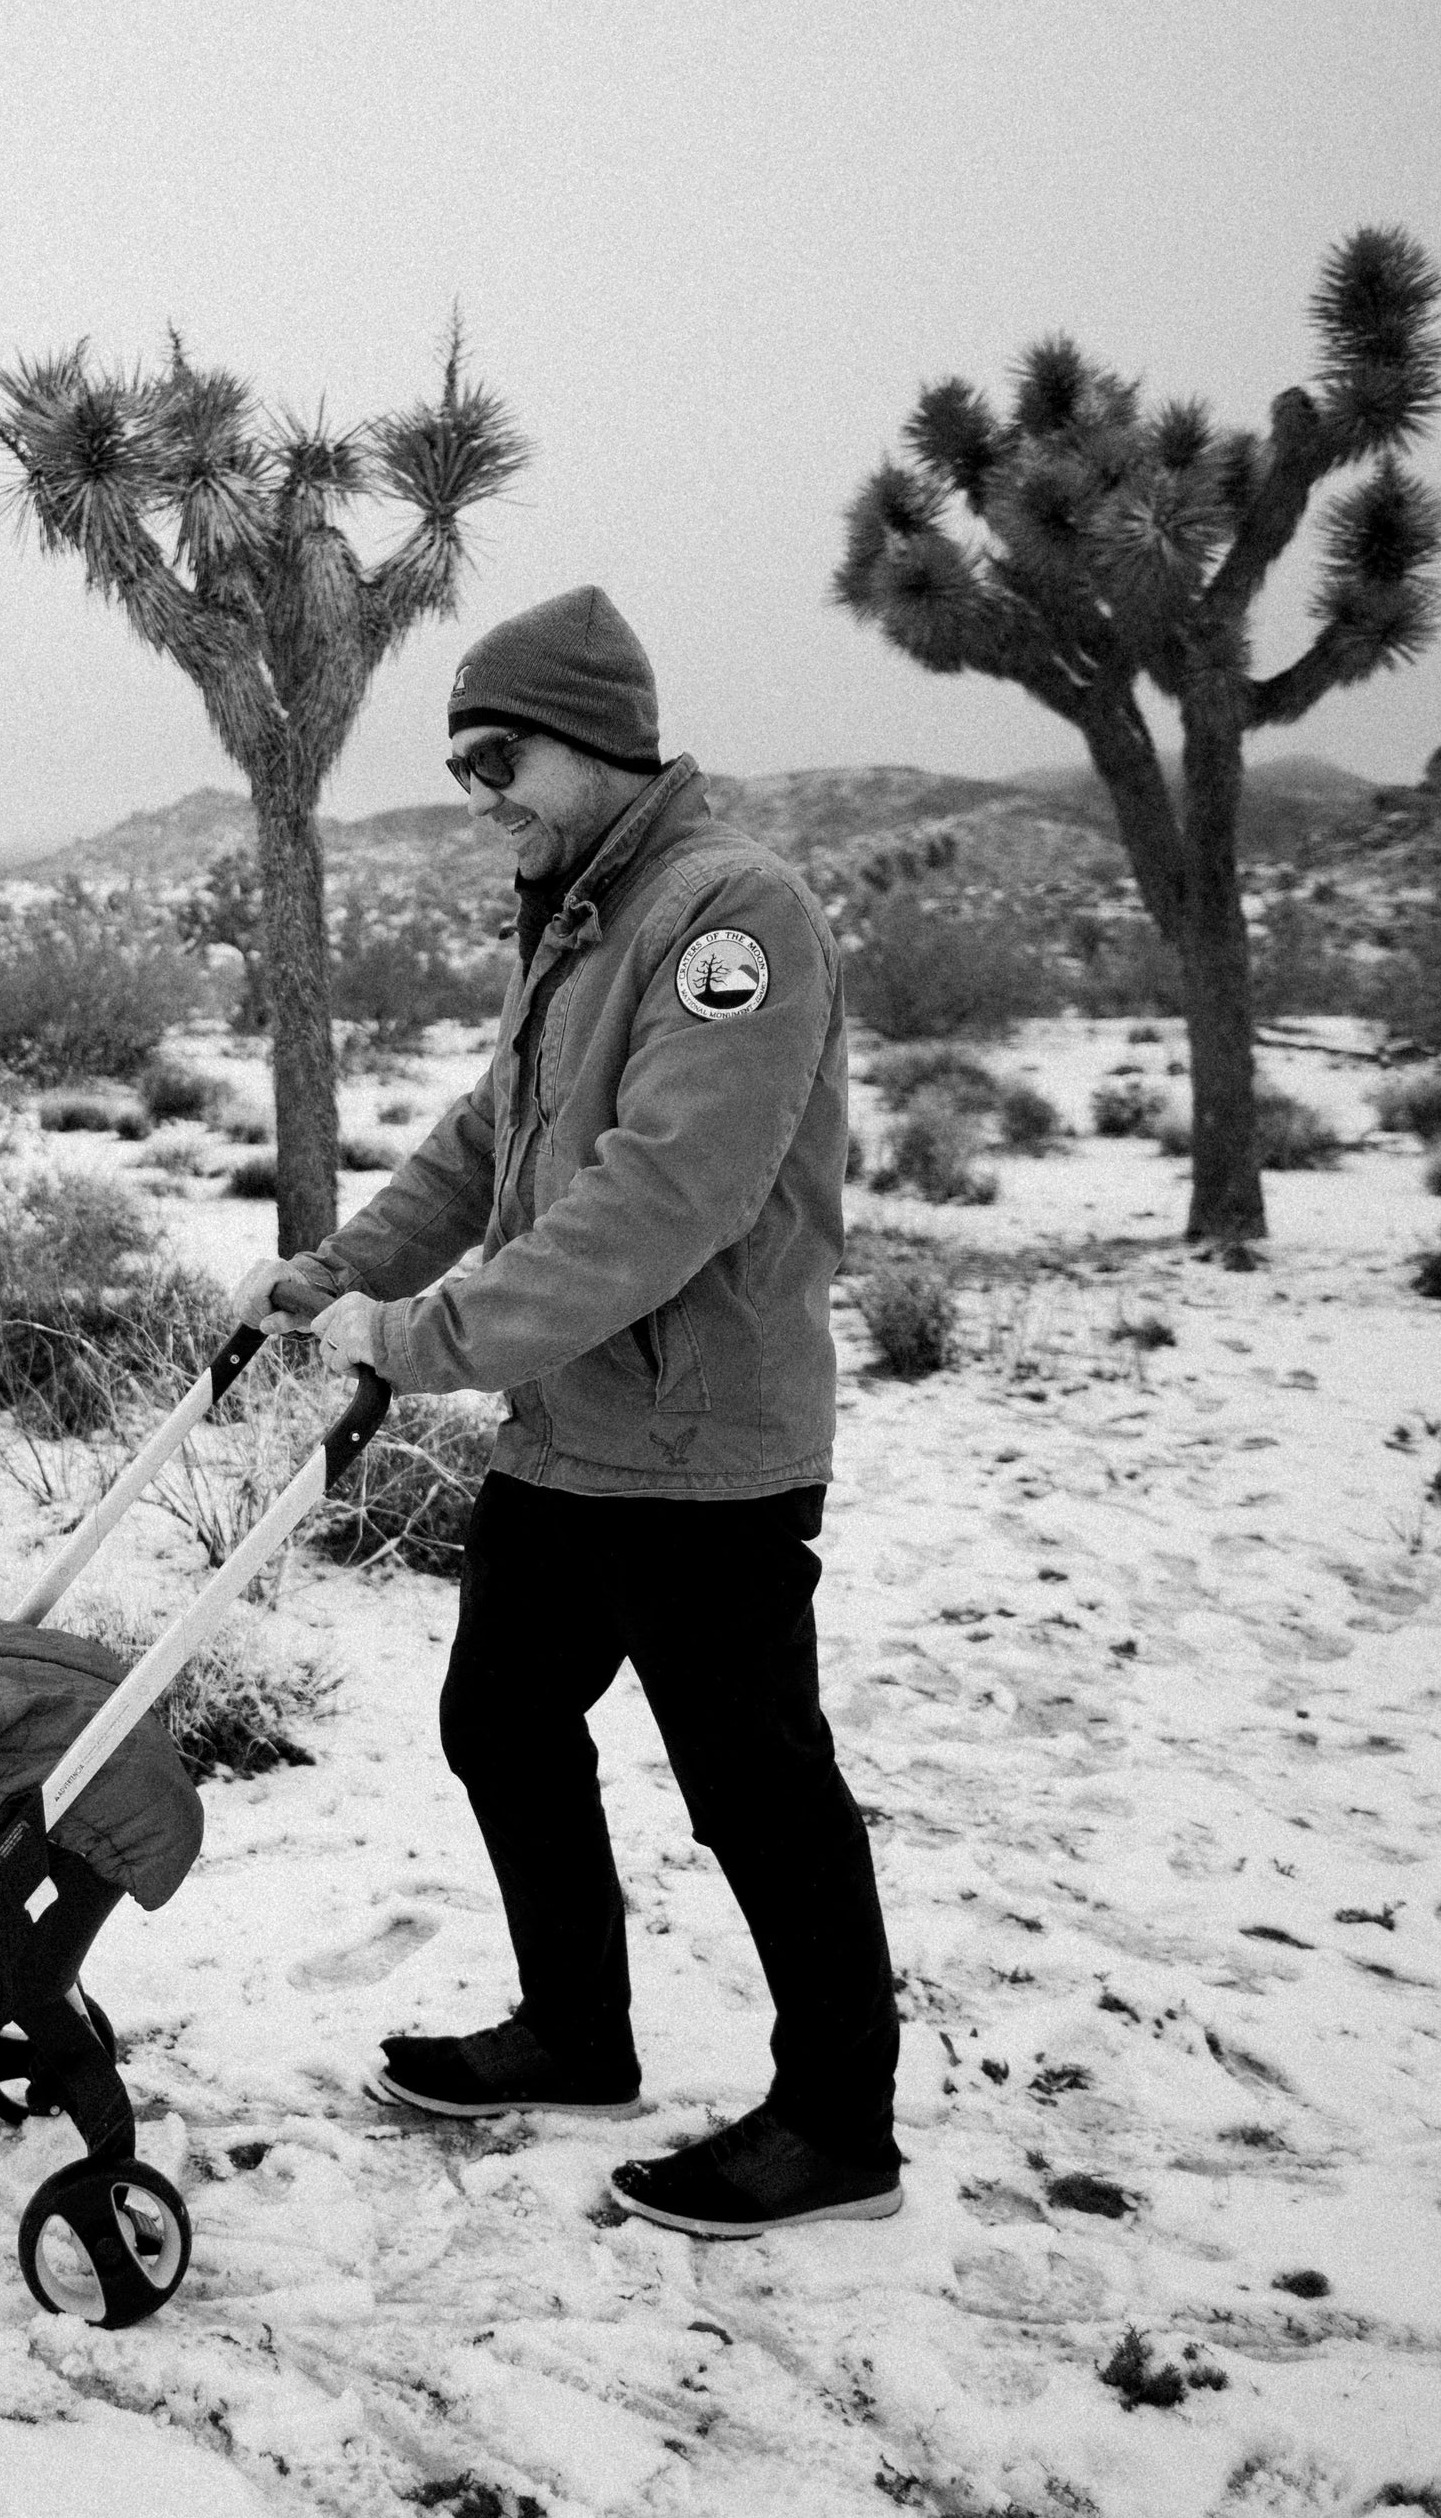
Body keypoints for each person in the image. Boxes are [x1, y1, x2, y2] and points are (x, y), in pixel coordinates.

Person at [231, 585, 903, 2238]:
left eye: (499, 756)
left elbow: (664, 1193)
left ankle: (838, 2126)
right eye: (461, 766)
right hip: (573, 1433)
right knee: (504, 1724)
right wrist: (339, 1276)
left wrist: (428, 1333)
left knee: (756, 1786)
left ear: (596, 736)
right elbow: (491, 1145)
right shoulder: (584, 914)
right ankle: (579, 2035)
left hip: (703, 1448)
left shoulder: (728, 914)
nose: (481, 796)